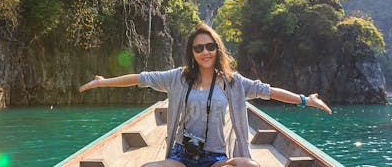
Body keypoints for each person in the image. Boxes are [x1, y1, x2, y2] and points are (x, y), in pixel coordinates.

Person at [79, 23, 332, 167]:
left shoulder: (234, 83)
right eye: (198, 48)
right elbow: (140, 78)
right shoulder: (177, 77)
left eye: (210, 46)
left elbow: (270, 92)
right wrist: (103, 82)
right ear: (192, 52)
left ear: (217, 49)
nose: (205, 52)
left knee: (249, 166)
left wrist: (305, 100)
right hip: (182, 155)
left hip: (215, 159)